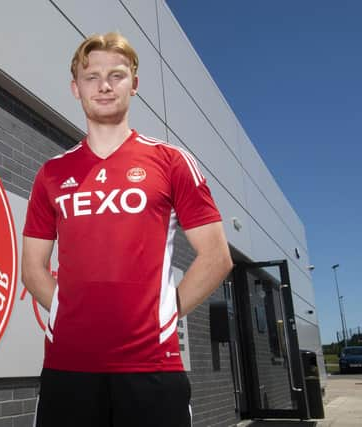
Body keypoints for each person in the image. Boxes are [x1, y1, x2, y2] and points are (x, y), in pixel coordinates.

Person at [21, 32, 233, 427]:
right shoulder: (51, 173)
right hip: (69, 368)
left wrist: (163, 315)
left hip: (153, 367)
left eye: (116, 75)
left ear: (134, 85)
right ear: (75, 88)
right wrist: (67, 317)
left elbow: (217, 256)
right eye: (91, 76)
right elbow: (33, 267)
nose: (104, 85)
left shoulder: (170, 161)